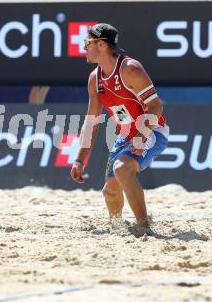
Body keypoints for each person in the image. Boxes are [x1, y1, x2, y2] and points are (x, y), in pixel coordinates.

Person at [70, 24, 169, 228]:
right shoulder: (94, 79)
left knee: (122, 169)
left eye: (87, 43)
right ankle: (117, 228)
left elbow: (156, 106)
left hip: (151, 131)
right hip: (126, 134)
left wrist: (141, 137)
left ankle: (143, 227)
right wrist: (80, 159)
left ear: (101, 44)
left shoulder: (130, 69)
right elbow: (91, 123)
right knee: (110, 190)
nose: (83, 47)